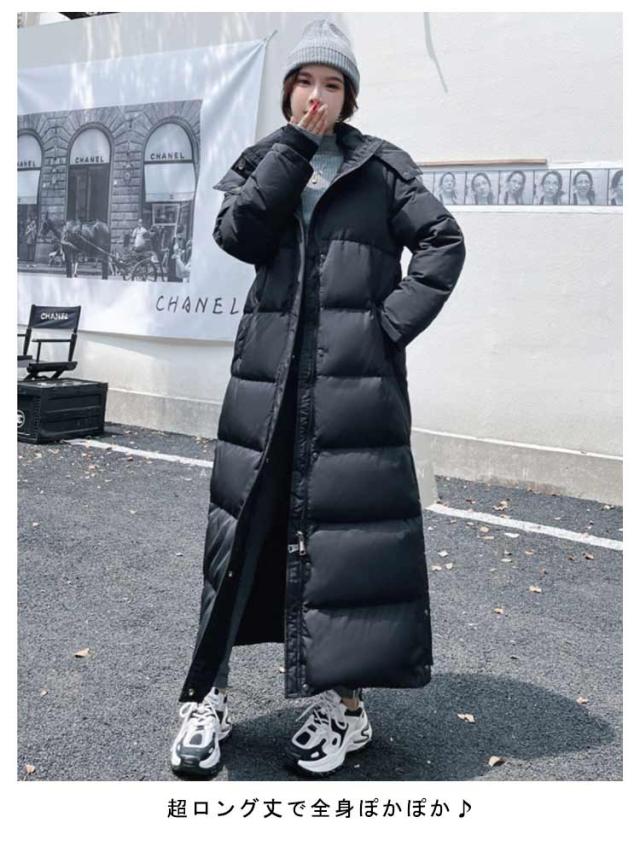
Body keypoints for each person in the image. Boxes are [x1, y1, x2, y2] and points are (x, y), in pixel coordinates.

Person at [170, 18, 466, 780]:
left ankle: (346, 706)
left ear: (349, 97)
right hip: (265, 393)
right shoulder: (264, 161)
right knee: (240, 542)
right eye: (306, 81)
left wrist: (386, 327)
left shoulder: (382, 168)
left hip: (351, 394)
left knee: (346, 553)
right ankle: (207, 696)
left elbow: (443, 242)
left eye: (332, 85)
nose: (317, 96)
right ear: (287, 90)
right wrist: (293, 149)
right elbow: (238, 235)